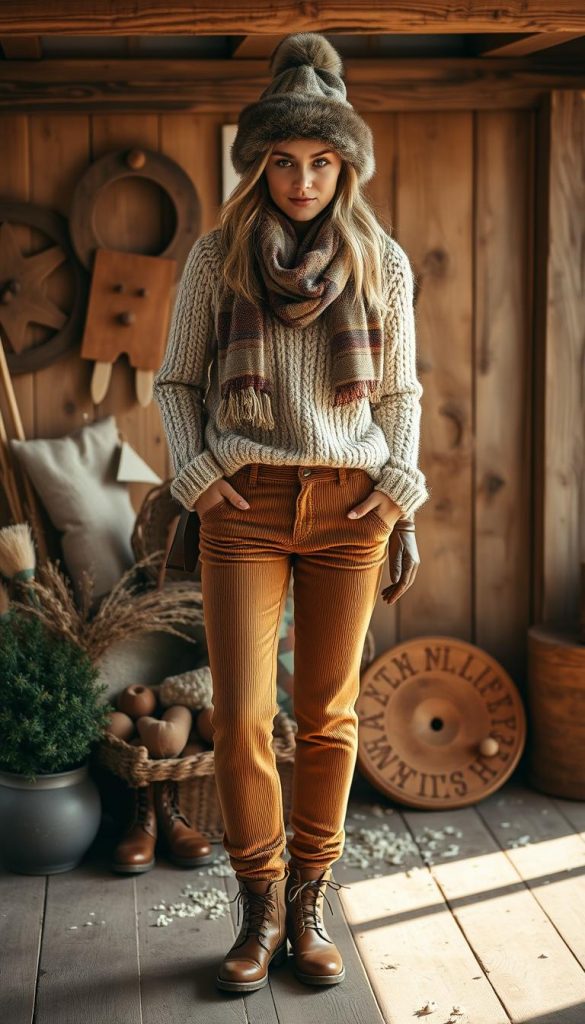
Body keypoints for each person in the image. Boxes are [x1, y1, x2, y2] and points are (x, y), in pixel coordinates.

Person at [153, 31, 430, 995]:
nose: (302, 181)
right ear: (258, 161)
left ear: (344, 165)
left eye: (320, 162)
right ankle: (258, 906)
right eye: (283, 161)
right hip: (247, 505)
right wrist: (195, 477)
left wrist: (398, 487)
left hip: (353, 506)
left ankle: (311, 902)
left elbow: (399, 398)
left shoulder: (380, 261)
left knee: (327, 716)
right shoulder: (216, 257)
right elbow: (177, 381)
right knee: (238, 718)